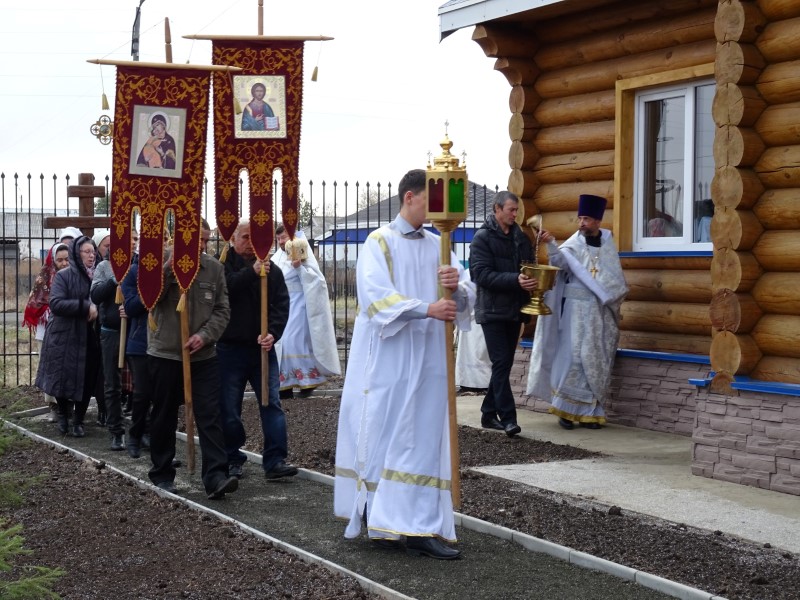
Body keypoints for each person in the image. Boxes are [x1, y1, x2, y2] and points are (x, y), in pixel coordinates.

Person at [334, 169, 475, 560]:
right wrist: (427, 308)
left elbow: (465, 298)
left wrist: (456, 286)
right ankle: (380, 516)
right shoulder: (379, 241)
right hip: (390, 357)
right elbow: (375, 298)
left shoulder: (438, 244)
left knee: (423, 434)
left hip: (430, 357)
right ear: (410, 197)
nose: (436, 210)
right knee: (386, 429)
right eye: (430, 200)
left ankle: (418, 525)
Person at [146, 228, 238, 499]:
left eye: (206, 240)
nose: (202, 245)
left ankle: (216, 476)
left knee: (210, 414)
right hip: (166, 353)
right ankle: (162, 473)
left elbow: (222, 309)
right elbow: (149, 298)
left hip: (203, 356)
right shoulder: (161, 262)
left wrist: (205, 336)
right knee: (163, 415)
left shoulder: (213, 268)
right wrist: (169, 267)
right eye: (198, 239)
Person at [526, 194, 628, 430]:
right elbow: (559, 264)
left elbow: (614, 280)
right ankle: (566, 411)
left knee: (593, 359)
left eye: (587, 219)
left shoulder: (608, 245)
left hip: (598, 313)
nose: (582, 223)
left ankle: (590, 413)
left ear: (597, 221)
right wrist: (551, 244)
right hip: (574, 311)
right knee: (572, 357)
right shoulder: (572, 245)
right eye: (580, 218)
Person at [216, 220, 297, 480]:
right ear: (233, 239)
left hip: (262, 349)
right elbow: (226, 289)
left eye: (255, 238)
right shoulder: (222, 265)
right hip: (230, 349)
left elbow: (281, 305)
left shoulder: (273, 271)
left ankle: (275, 460)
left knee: (271, 403)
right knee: (229, 408)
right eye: (245, 237)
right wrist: (252, 272)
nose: (251, 243)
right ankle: (232, 458)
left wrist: (273, 333)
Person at [468, 191, 537, 437]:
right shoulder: (482, 238)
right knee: (500, 362)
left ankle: (488, 412)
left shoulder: (521, 237)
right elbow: (480, 274)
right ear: (497, 209)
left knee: (504, 364)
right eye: (511, 210)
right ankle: (508, 419)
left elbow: (529, 266)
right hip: (492, 310)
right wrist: (516, 280)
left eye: (517, 210)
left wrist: (532, 278)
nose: (515, 214)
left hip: (514, 309)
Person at [35, 236, 100, 437]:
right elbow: (56, 303)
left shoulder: (97, 275)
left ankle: (79, 420)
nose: (91, 256)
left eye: (93, 252)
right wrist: (85, 306)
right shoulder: (64, 276)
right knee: (61, 377)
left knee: (86, 379)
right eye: (87, 252)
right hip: (64, 335)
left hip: (88, 335)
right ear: (77, 254)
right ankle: (63, 414)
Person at [273, 225, 340, 398]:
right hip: (281, 304)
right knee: (281, 343)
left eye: (283, 238)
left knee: (292, 341)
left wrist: (299, 268)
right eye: (278, 239)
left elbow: (316, 280)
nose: (281, 242)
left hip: (299, 304)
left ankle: (307, 381)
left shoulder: (302, 250)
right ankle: (285, 386)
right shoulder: (277, 256)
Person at [23, 242, 70, 422]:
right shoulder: (43, 281)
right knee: (50, 369)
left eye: (67, 259)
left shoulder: (75, 278)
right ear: (52, 261)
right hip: (47, 331)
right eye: (59, 260)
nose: (64, 263)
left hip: (69, 331)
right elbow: (35, 305)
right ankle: (53, 406)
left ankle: (69, 406)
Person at [90, 230, 125, 451]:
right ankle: (116, 431)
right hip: (111, 331)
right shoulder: (104, 266)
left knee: (142, 384)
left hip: (134, 330)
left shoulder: (139, 263)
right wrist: (113, 281)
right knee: (112, 384)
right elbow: (95, 295)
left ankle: (144, 432)